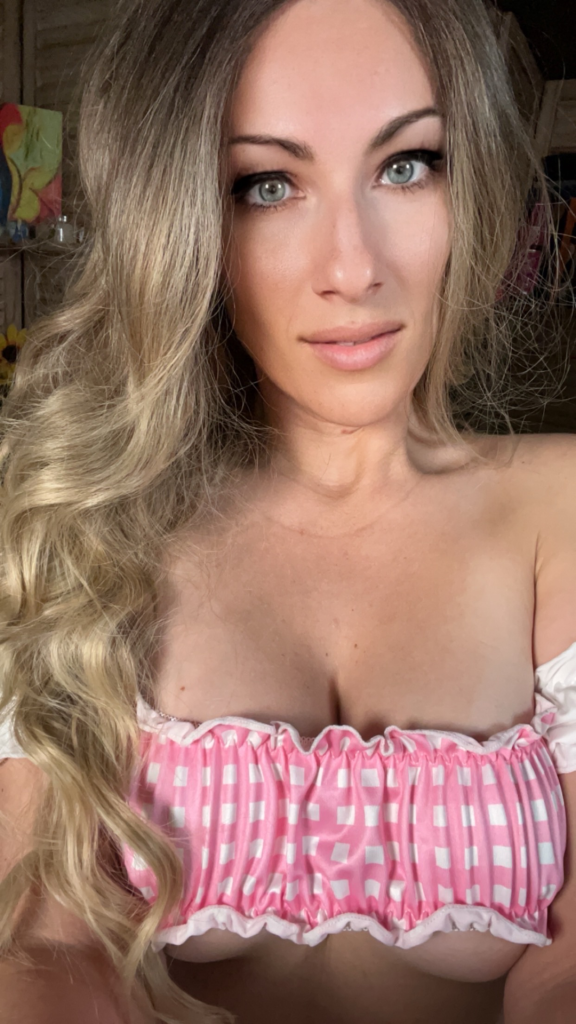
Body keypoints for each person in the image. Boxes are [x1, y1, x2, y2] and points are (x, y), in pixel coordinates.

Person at [0, 0, 575, 1021]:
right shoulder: (90, 523)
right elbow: (47, 949)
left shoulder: (560, 511)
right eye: (266, 184)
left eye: (408, 165)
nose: (354, 269)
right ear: (181, 220)